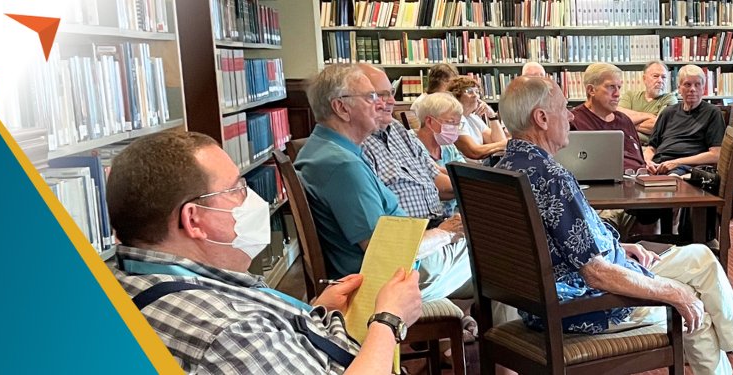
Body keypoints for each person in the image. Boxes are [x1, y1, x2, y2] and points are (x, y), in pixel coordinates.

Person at [488, 76, 733, 375]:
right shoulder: (553, 177)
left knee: (700, 259)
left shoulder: (505, 170)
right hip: (578, 306)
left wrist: (619, 246)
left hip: (538, 303)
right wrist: (673, 293)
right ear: (542, 118)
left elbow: (552, 243)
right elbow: (596, 274)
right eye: (562, 109)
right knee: (694, 305)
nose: (570, 116)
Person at [107, 131, 426, 375]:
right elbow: (239, 340)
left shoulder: (128, 276)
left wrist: (317, 311)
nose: (250, 199)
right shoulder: (227, 332)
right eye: (235, 189)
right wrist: (389, 321)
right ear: (193, 220)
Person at [296, 64, 471, 301]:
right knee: (506, 254)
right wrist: (445, 233)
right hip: (387, 282)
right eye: (371, 97)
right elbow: (386, 250)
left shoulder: (325, 149)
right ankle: (503, 331)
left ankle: (472, 322)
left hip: (397, 263)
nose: (381, 104)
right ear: (341, 108)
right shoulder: (343, 166)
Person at [571, 63, 666, 233]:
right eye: (610, 87)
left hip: (639, 188)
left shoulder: (624, 120)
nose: (617, 94)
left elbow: (637, 157)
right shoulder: (574, 121)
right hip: (603, 194)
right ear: (591, 90)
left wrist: (646, 163)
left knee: (664, 203)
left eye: (619, 87)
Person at [357, 64, 454, 222]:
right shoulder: (356, 143)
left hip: (437, 223)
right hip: (411, 235)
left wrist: (480, 189)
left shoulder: (396, 128)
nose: (392, 102)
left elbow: (434, 176)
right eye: (381, 95)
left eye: (392, 93)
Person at [645, 64, 726, 177]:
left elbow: (716, 154)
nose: (692, 89)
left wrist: (677, 162)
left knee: (673, 178)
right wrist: (648, 162)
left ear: (703, 88)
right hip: (660, 164)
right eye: (687, 84)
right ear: (679, 88)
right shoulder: (668, 113)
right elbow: (651, 148)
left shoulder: (712, 113)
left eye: (697, 84)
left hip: (688, 166)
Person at [410, 92, 469, 216]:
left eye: (458, 124)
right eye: (451, 122)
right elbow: (441, 187)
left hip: (452, 218)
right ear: (430, 121)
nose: (455, 129)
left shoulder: (449, 148)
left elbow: (467, 176)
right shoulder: (409, 144)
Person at [449, 76, 508, 161]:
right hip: (468, 169)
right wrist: (508, 143)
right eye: (469, 91)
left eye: (477, 92)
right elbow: (474, 152)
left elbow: (497, 141)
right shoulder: (456, 119)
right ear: (457, 96)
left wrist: (491, 116)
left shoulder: (473, 117)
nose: (475, 95)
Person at [619, 61, 677, 137]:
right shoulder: (630, 96)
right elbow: (618, 118)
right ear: (644, 79)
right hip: (626, 144)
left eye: (664, 77)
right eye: (655, 76)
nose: (660, 81)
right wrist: (649, 116)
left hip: (650, 147)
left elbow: (660, 126)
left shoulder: (669, 99)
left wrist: (627, 125)